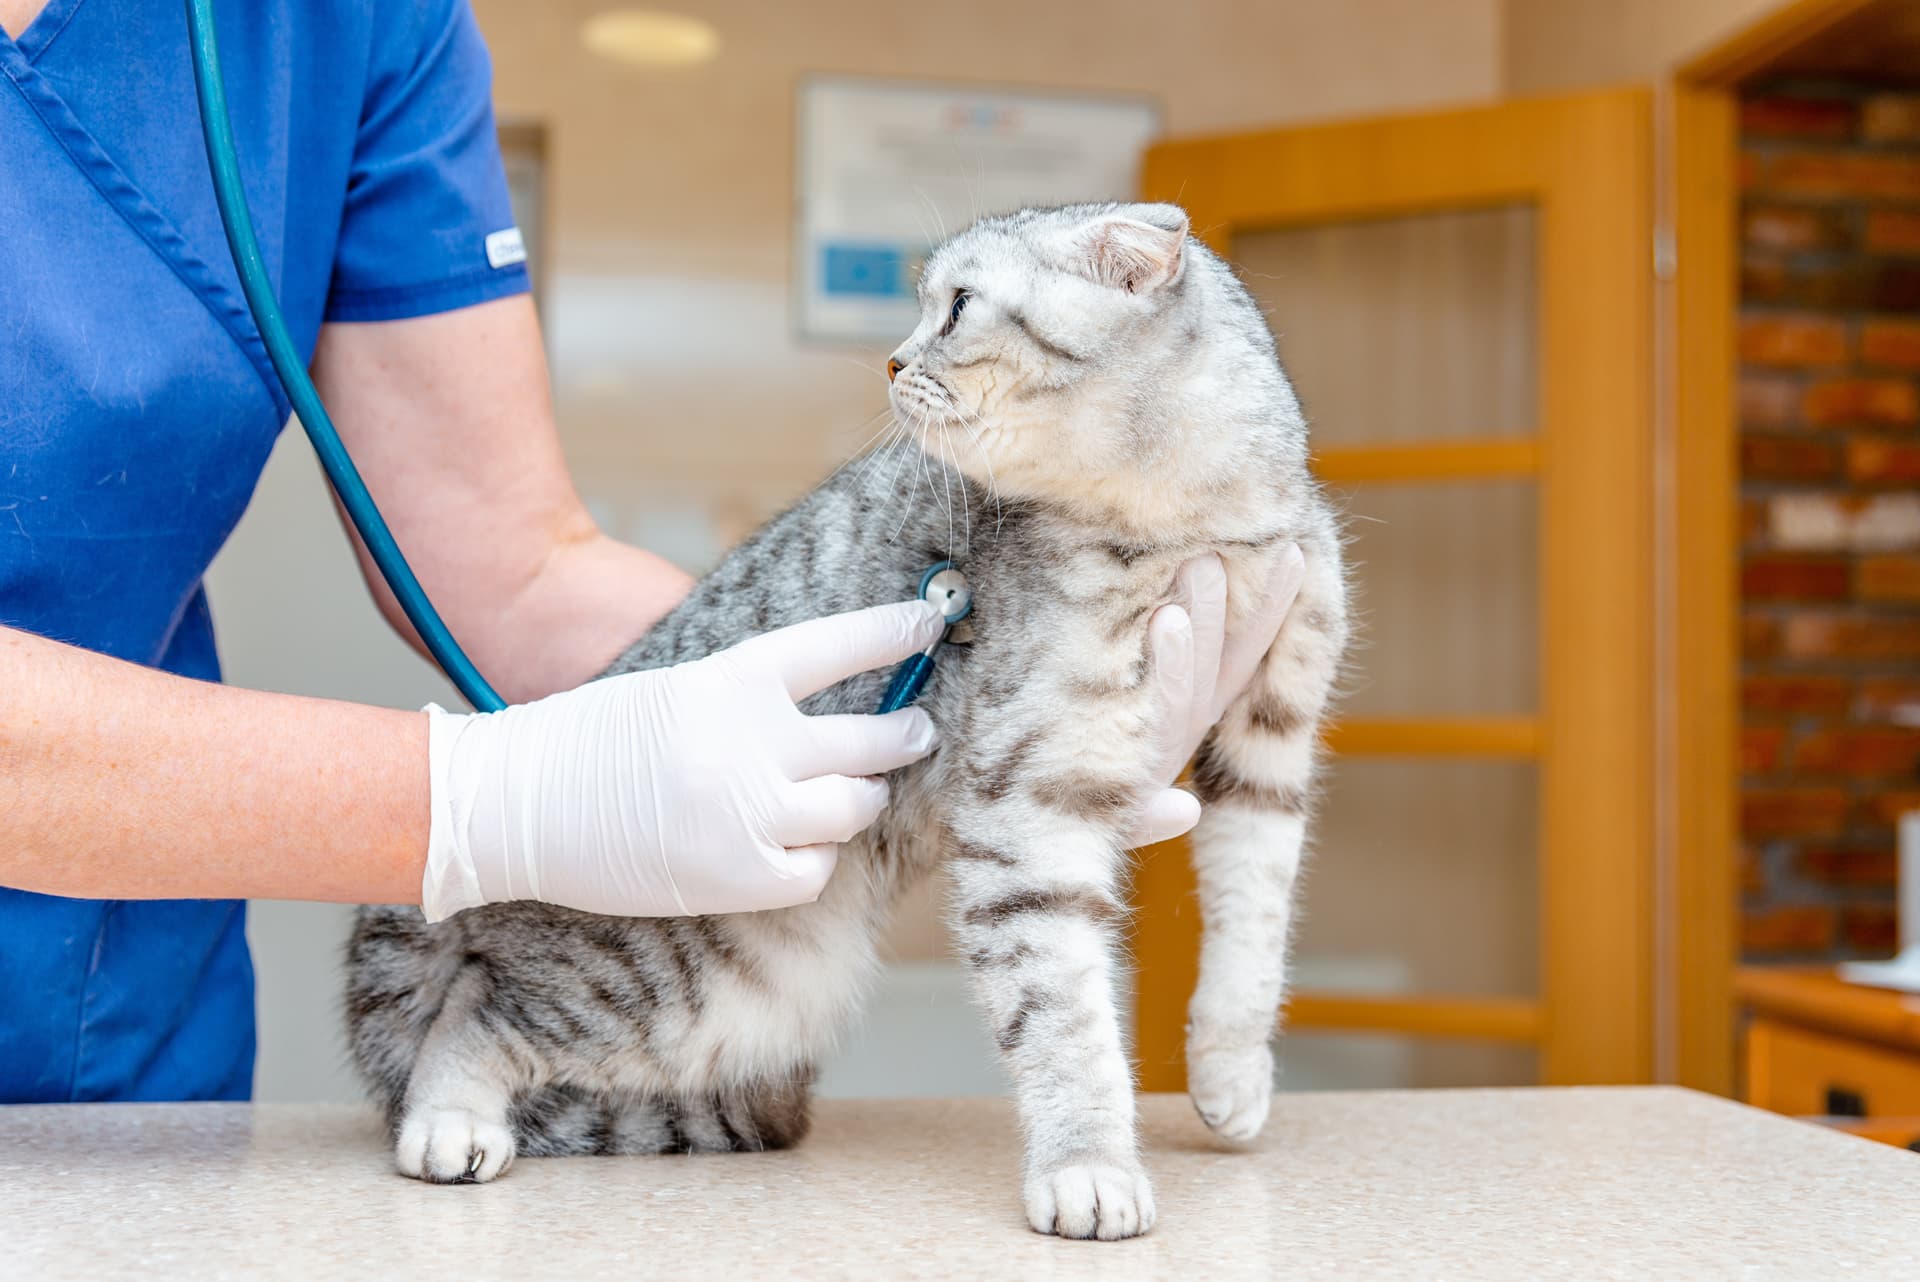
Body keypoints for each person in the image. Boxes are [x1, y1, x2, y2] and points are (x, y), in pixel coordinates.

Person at [0, 0, 1298, 1104]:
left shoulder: (346, 23)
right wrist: (485, 802)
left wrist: (899, 703)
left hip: (109, 1031)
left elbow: (517, 567)